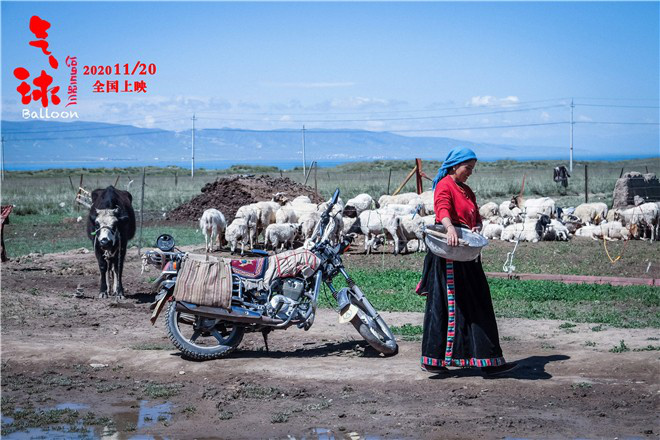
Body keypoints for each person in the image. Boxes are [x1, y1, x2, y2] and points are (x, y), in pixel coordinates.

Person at [416, 147, 517, 376]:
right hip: (449, 253)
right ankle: (434, 360)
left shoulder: (467, 191)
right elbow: (442, 208)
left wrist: (476, 227)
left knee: (476, 304)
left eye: (472, 169)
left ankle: (486, 359)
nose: (470, 172)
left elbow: (475, 216)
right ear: (454, 166)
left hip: (466, 252)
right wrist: (450, 228)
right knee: (445, 306)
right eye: (467, 168)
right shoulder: (445, 185)